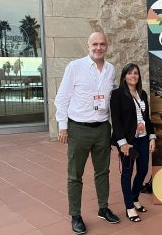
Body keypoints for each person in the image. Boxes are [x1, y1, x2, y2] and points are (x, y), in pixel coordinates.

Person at [55, 32, 120, 234]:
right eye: (95, 44)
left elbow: (112, 98)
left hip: (102, 128)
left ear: (107, 46)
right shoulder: (75, 67)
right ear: (88, 45)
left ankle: (103, 208)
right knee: (75, 175)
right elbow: (62, 97)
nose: (98, 48)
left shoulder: (110, 69)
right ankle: (75, 214)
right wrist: (62, 125)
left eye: (102, 44)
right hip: (78, 129)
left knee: (103, 172)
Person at [110, 63, 156, 222]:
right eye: (129, 73)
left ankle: (135, 198)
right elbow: (115, 120)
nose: (133, 76)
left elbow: (147, 118)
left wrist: (152, 137)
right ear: (124, 76)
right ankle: (129, 206)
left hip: (143, 138)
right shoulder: (117, 94)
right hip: (128, 141)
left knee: (143, 170)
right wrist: (122, 143)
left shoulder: (142, 93)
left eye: (135, 73)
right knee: (127, 173)